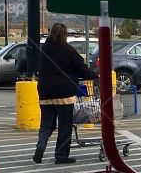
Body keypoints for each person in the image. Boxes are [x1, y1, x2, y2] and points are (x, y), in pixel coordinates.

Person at [34, 22, 98, 165]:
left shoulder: (44, 49)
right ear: (65, 35)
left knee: (46, 124)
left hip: (45, 93)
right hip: (64, 94)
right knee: (65, 126)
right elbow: (80, 67)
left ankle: (41, 144)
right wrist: (93, 76)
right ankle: (61, 156)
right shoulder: (67, 50)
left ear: (51, 33)